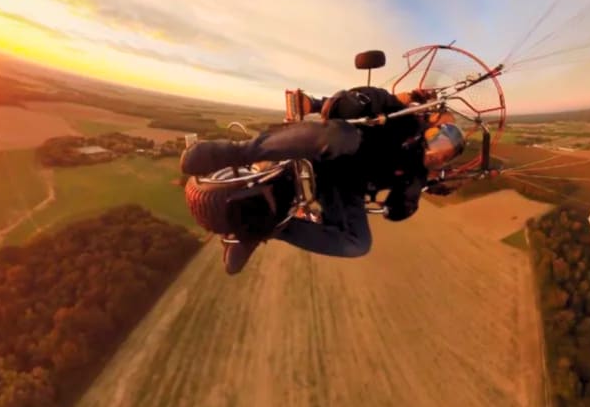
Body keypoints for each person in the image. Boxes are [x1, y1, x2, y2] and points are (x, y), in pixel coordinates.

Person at [179, 86, 467, 274]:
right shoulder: (396, 114)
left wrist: (426, 186)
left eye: (445, 156)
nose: (438, 155)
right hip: (329, 151)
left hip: (345, 188)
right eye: (441, 141)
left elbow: (399, 209)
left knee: (358, 244)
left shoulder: (415, 175)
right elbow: (349, 103)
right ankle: (231, 153)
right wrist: (396, 101)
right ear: (429, 125)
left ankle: (264, 230)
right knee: (341, 135)